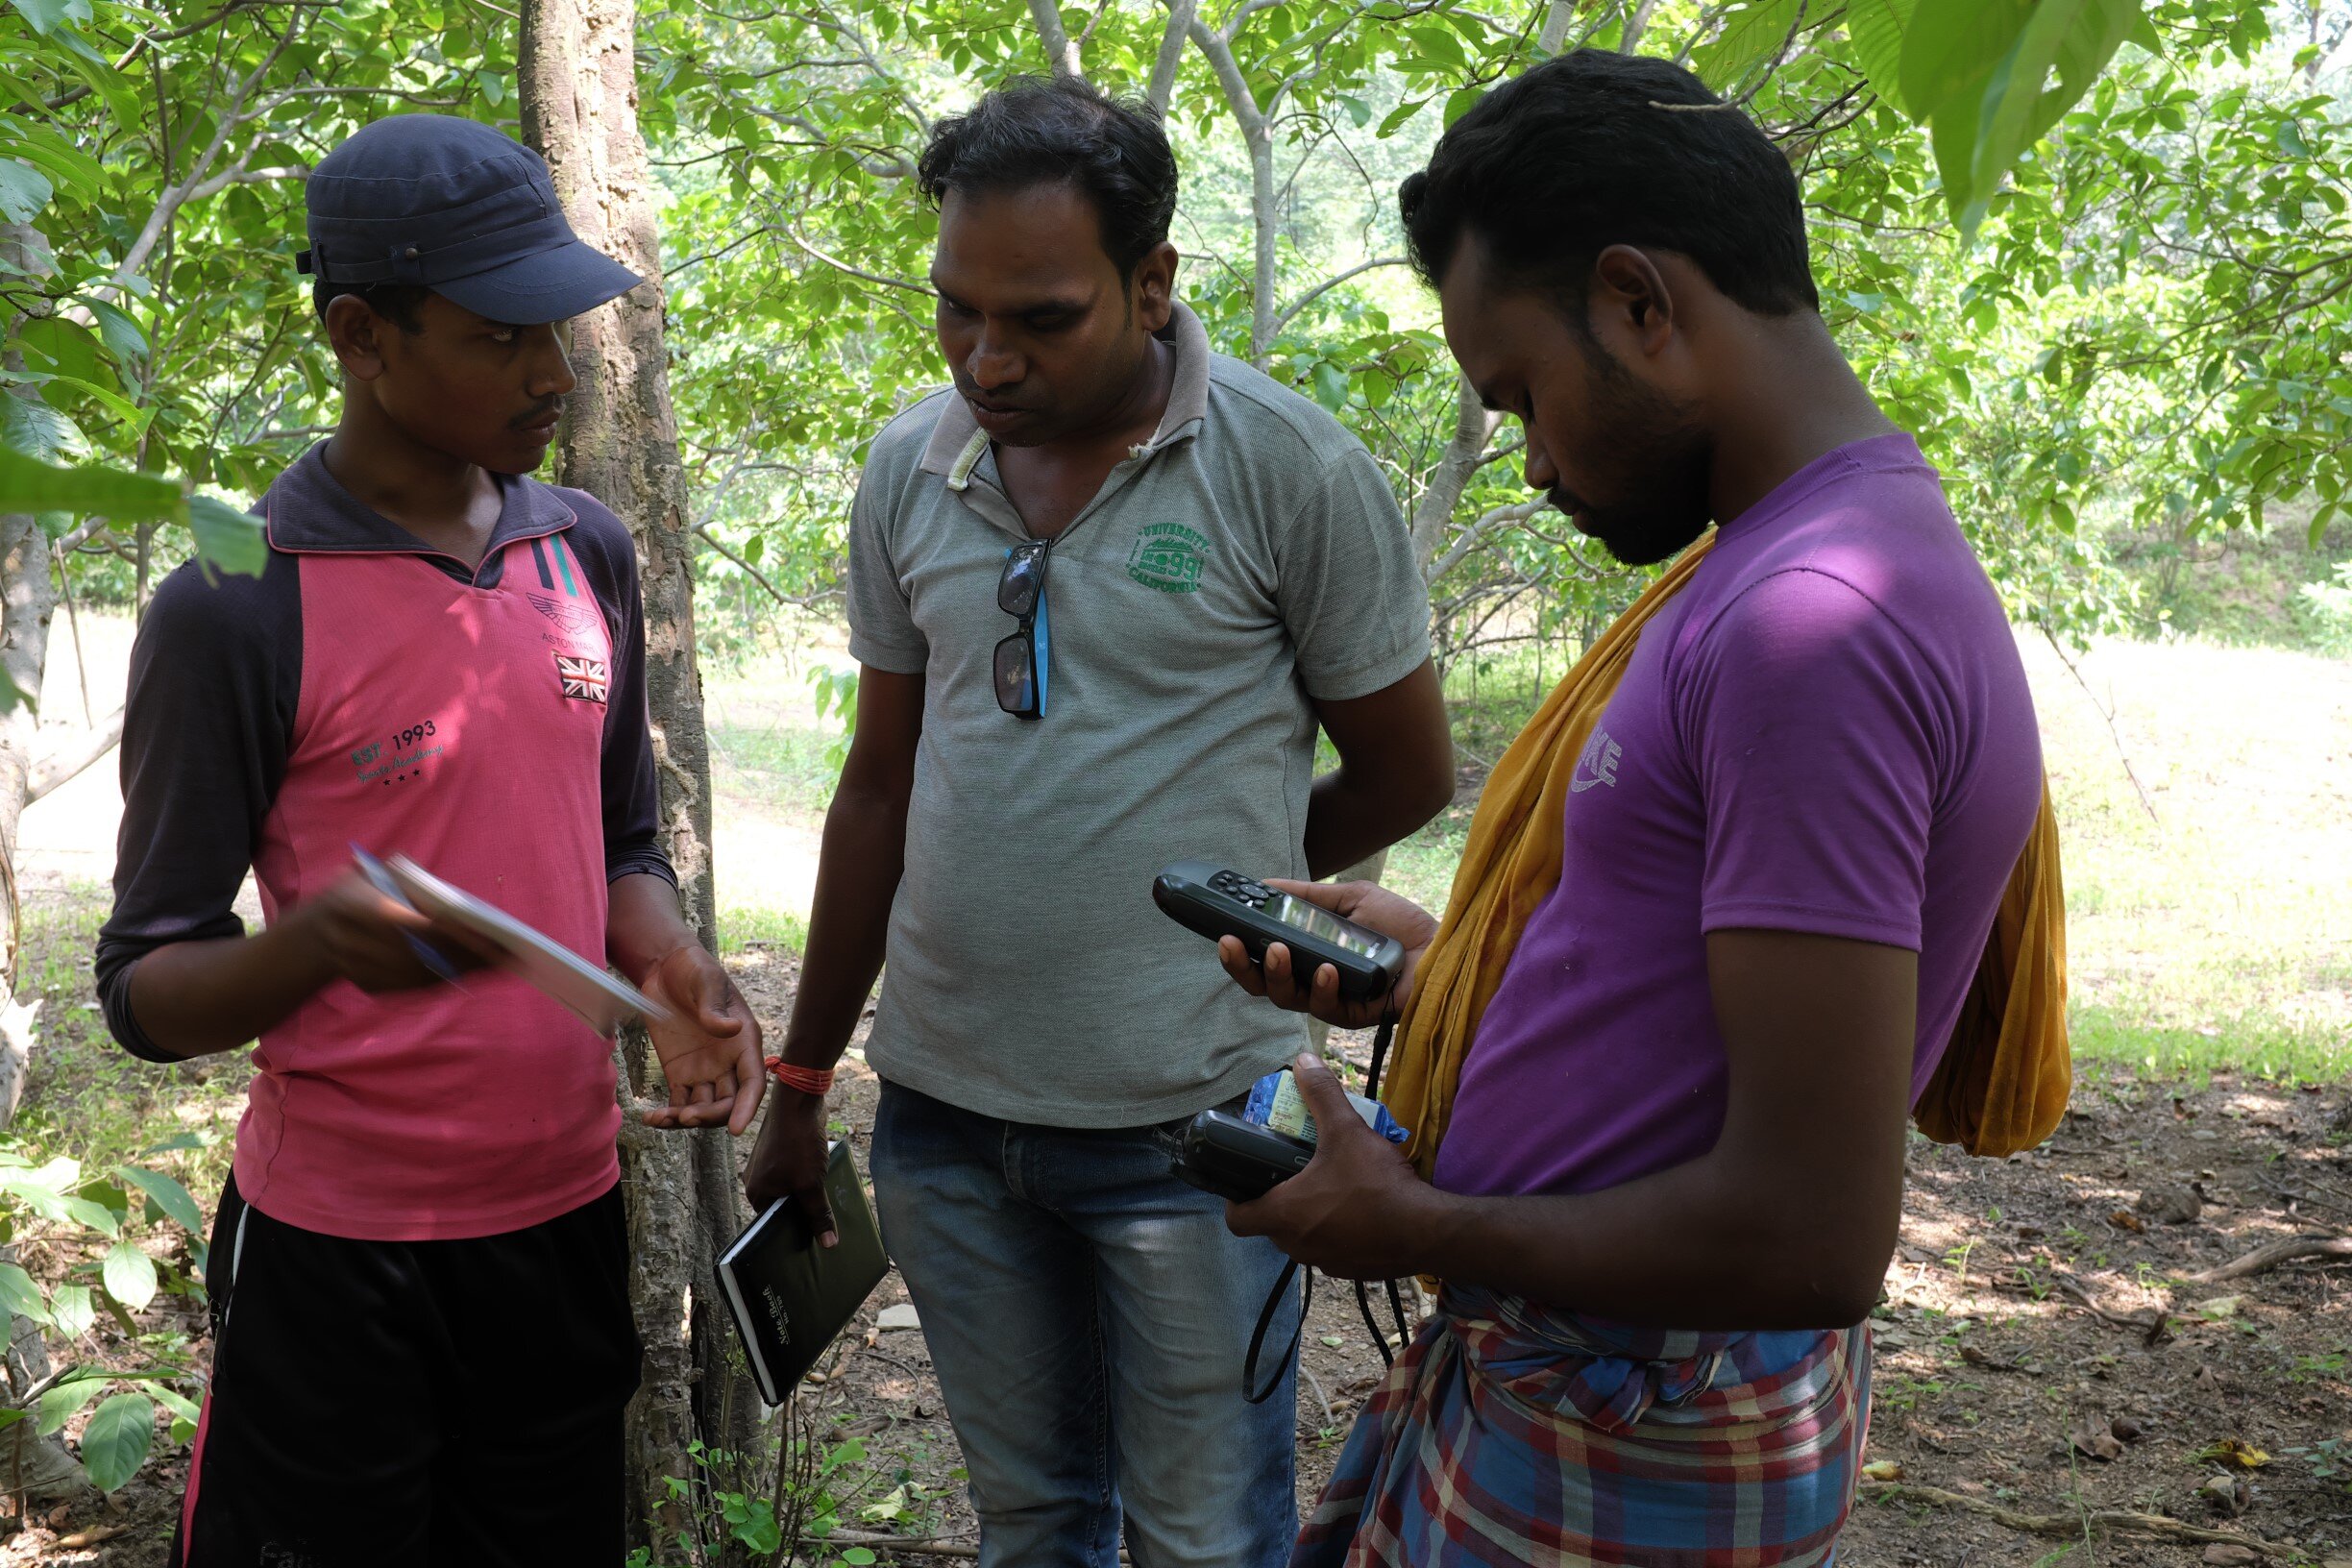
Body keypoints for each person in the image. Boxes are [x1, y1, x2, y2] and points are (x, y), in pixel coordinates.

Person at [1214, 50, 2054, 1567]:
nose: (1534, 460)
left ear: (1637, 303)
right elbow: (1690, 995)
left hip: (1635, 1430)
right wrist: (1440, 971)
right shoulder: (1804, 558)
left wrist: (1413, 1225)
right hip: (1593, 1398)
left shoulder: (1813, 626)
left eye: (1523, 395)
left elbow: (1809, 1233)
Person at [741, 77, 1455, 1568]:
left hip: (1198, 1130)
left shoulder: (1291, 470)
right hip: (946, 1125)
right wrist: (802, 1079)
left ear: (1151, 284)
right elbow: (878, 785)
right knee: (1035, 1523)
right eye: (955, 309)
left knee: (1204, 1539)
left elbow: (1405, 773)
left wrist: (1224, 892)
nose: (985, 358)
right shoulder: (911, 465)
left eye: (1041, 318)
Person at [94, 114, 766, 1566]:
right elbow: (145, 989)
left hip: (564, 1222)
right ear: (361, 336)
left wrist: (671, 964)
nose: (552, 372)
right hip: (340, 1257)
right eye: (498, 336)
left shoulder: (580, 551)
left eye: (557, 329)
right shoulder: (238, 602)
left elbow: (620, 844)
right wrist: (314, 950)